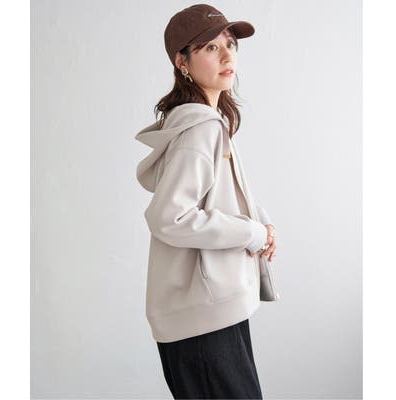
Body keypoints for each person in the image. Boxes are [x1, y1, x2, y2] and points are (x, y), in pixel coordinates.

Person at [134, 3, 277, 399]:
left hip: (206, 313)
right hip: (204, 321)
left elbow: (221, 195)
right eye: (211, 48)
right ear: (182, 61)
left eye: (230, 44)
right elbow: (170, 217)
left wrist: (261, 224)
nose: (228, 56)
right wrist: (251, 233)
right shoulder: (200, 129)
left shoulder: (207, 122)